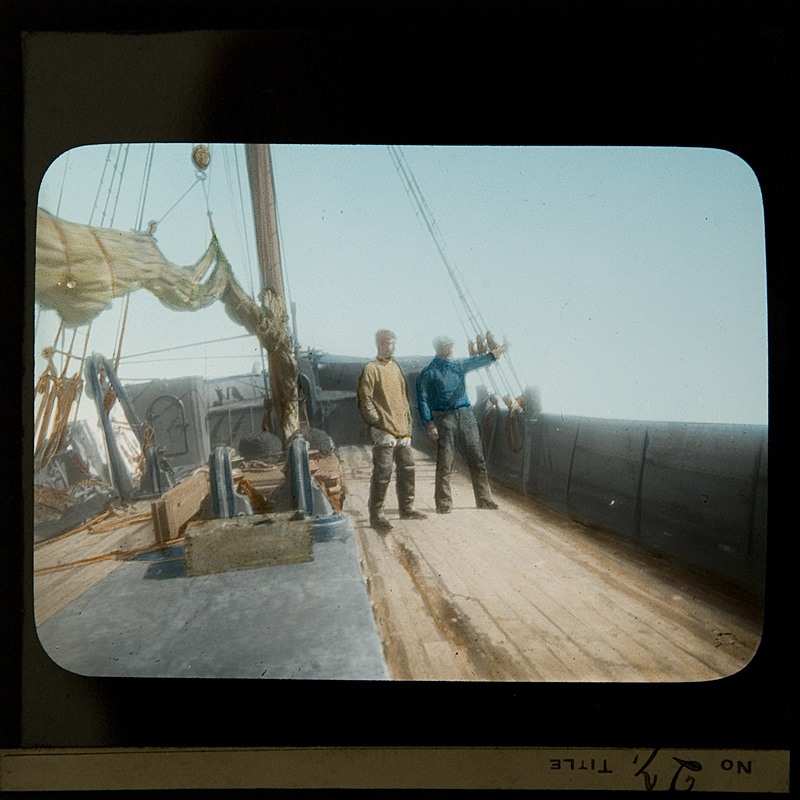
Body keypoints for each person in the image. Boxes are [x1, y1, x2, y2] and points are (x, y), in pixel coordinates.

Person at [416, 334, 508, 514]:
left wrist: (494, 354)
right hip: (444, 419)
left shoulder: (458, 365)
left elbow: (478, 361)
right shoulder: (428, 373)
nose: (450, 349)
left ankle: (484, 499)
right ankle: (443, 503)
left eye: (451, 346)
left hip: (466, 416)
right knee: (445, 461)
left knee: (477, 457)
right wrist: (429, 424)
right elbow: (423, 400)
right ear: (439, 348)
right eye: (447, 346)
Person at [357, 330, 428, 531]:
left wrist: (407, 427)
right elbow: (365, 400)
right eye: (388, 343)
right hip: (384, 431)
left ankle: (406, 509)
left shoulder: (396, 368)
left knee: (407, 469)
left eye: (393, 343)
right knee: (383, 472)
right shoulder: (371, 369)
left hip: (401, 431)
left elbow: (404, 400)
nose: (392, 347)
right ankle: (376, 514)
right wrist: (377, 423)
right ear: (379, 344)